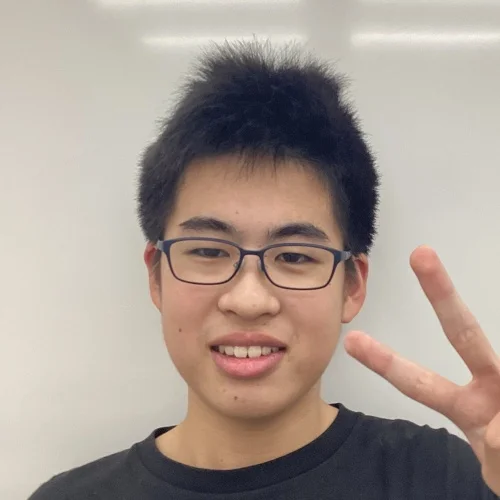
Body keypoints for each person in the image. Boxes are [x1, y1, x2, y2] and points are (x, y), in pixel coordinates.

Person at [29, 41, 500, 500]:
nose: (249, 300)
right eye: (208, 250)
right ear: (156, 276)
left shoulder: (447, 478)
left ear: (352, 286)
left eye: (294, 256)